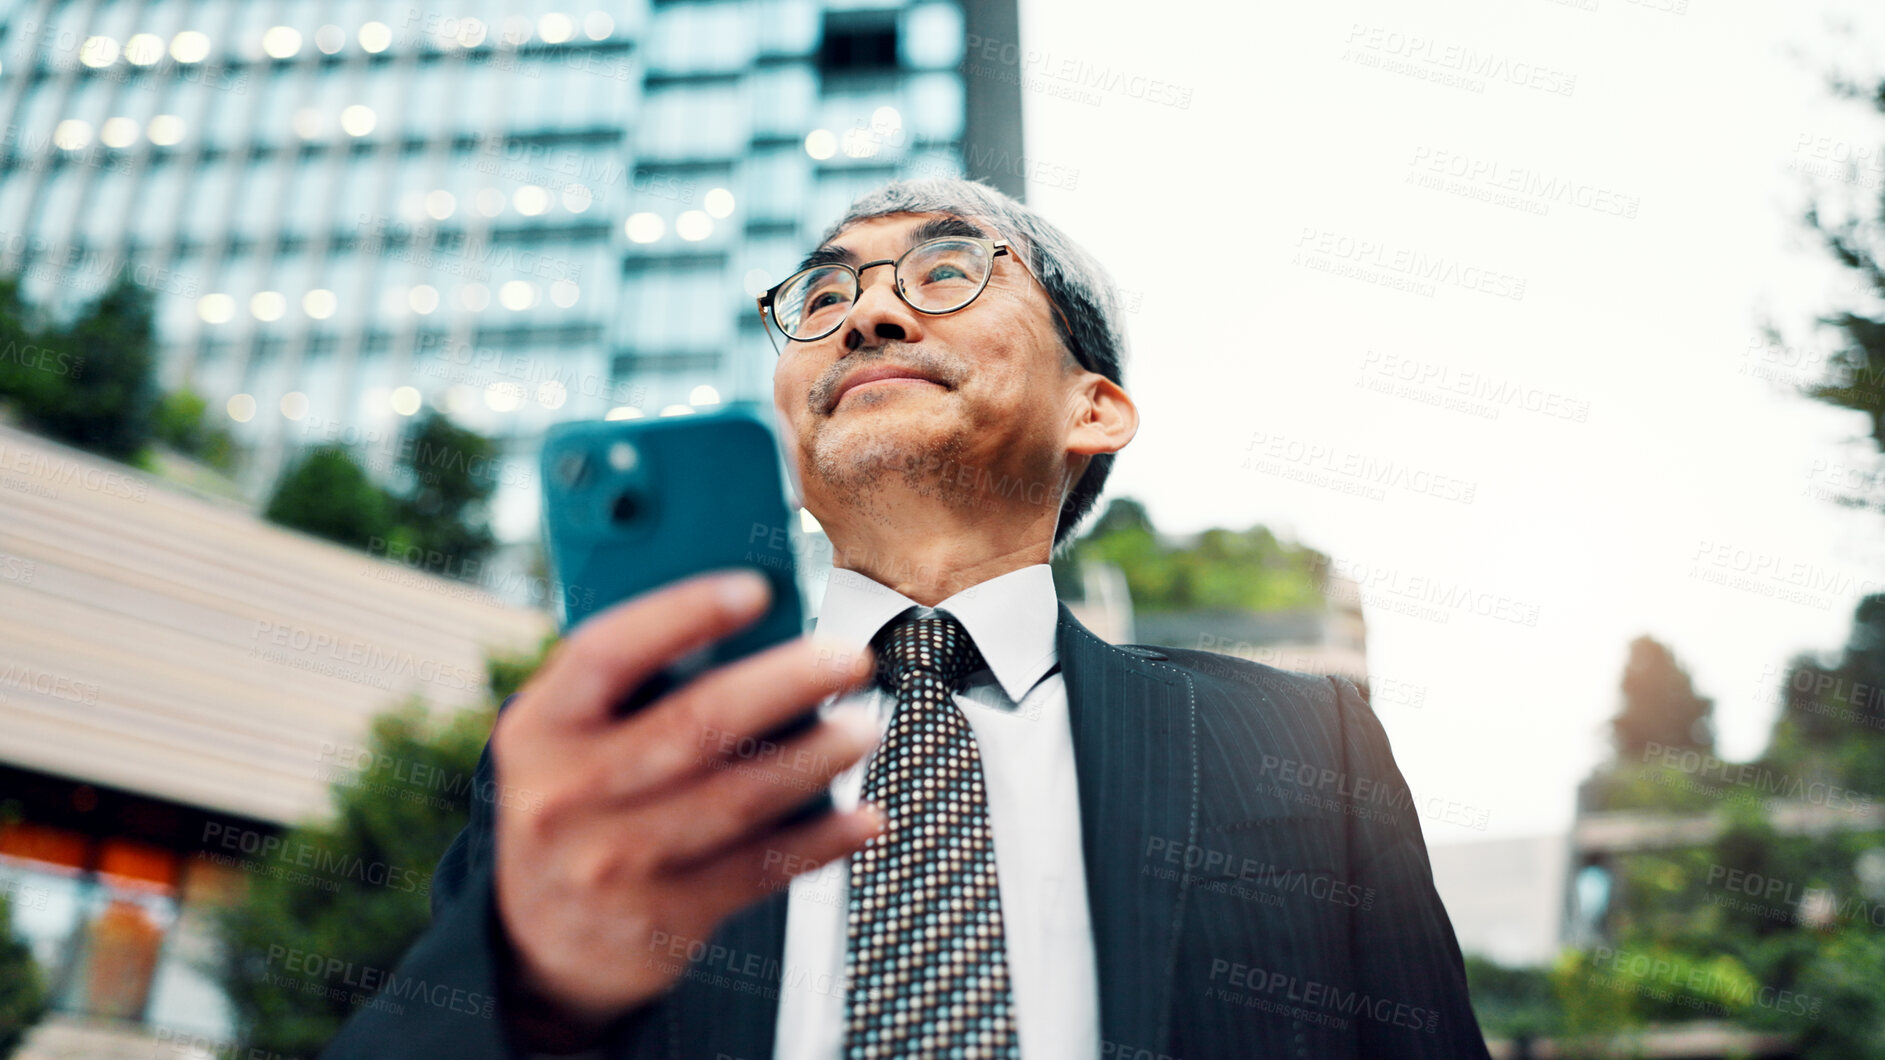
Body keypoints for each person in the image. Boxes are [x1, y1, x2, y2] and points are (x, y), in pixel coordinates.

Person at [321, 178, 1492, 1060]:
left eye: (944, 273)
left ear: (1097, 406)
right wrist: (522, 978)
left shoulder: (1303, 747)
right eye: (823, 296)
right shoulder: (608, 752)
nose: (867, 316)